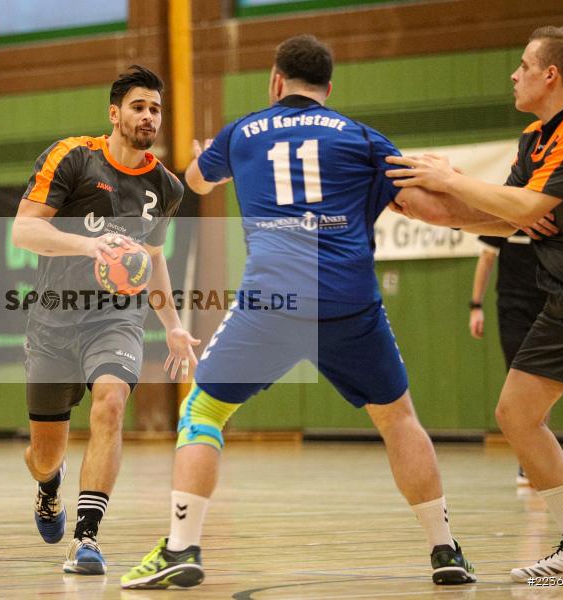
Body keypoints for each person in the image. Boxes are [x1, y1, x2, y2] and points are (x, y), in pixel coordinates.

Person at [121, 35, 476, 590]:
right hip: (348, 303)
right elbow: (432, 205)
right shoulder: (361, 137)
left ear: (275, 81)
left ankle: (181, 550)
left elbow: (194, 181)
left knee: (203, 412)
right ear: (328, 90)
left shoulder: (242, 132)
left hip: (273, 303)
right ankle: (445, 549)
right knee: (398, 419)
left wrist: (204, 159)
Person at [386, 26, 563, 583]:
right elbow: (507, 217)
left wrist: (452, 180)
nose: (515, 73)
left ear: (550, 75)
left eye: (524, 65)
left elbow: (525, 205)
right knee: (516, 414)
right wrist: (435, 207)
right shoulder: (534, 141)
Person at [12, 65, 200, 575]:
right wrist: (89, 243)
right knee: (43, 455)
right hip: (54, 322)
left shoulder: (166, 187)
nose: (148, 117)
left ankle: (87, 539)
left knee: (111, 405)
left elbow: (155, 258)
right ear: (114, 113)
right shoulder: (71, 158)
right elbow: (24, 232)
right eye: (139, 107)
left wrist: (173, 324)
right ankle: (49, 487)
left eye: (156, 109)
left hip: (115, 319)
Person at [469, 232, 549, 486]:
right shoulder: (506, 205)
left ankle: (536, 459)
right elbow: (486, 257)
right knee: (521, 381)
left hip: (549, 307)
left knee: (543, 382)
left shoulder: (553, 205)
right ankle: (529, 461)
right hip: (512, 309)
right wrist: (475, 306)